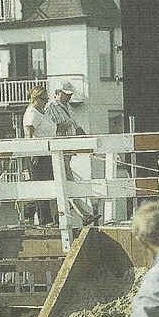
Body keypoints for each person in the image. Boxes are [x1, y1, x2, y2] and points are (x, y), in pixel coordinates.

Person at [45, 82, 99, 226]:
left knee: (66, 182)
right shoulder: (50, 107)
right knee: (67, 182)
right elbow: (50, 128)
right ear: (58, 92)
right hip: (59, 151)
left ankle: (63, 216)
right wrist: (66, 126)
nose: (68, 97)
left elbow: (75, 126)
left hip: (68, 151)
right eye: (66, 94)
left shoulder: (67, 107)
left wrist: (84, 140)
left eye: (69, 95)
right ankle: (83, 214)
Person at [22, 85, 57, 225]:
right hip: (38, 155)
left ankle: (44, 216)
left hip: (47, 153)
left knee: (48, 186)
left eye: (46, 99)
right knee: (41, 187)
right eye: (43, 99)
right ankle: (44, 219)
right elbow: (29, 133)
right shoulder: (32, 112)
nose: (46, 101)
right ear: (36, 98)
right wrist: (33, 152)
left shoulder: (42, 112)